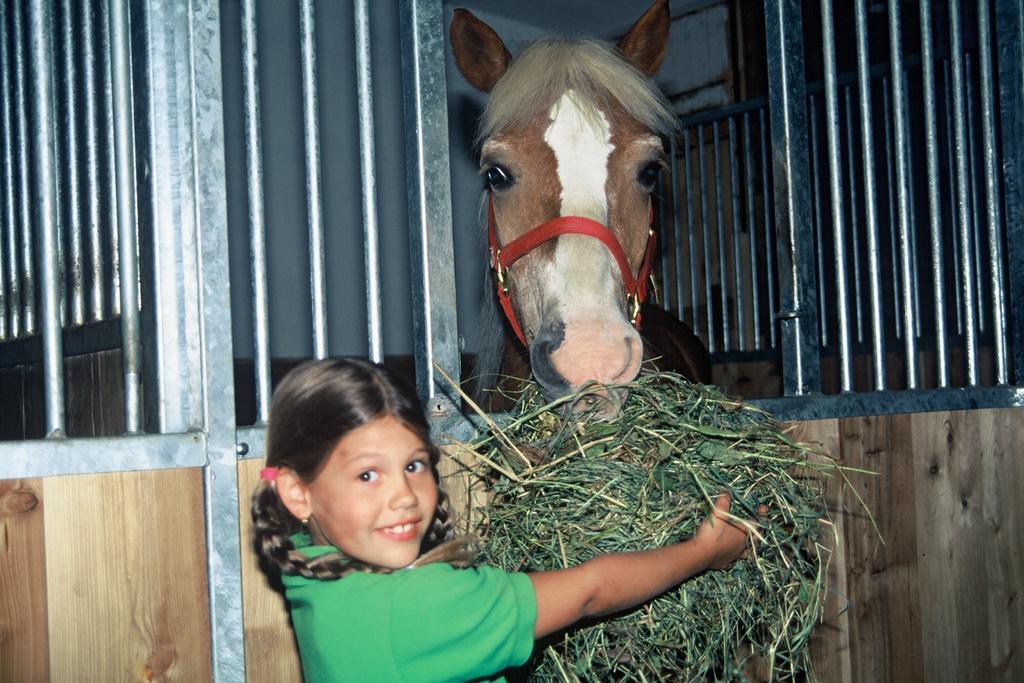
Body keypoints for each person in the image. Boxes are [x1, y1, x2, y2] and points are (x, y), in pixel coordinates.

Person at [252, 358, 759, 683]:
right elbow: (591, 590)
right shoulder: (421, 607)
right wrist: (703, 552)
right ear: (299, 493)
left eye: (413, 465)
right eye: (367, 475)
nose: (403, 496)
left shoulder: (313, 569)